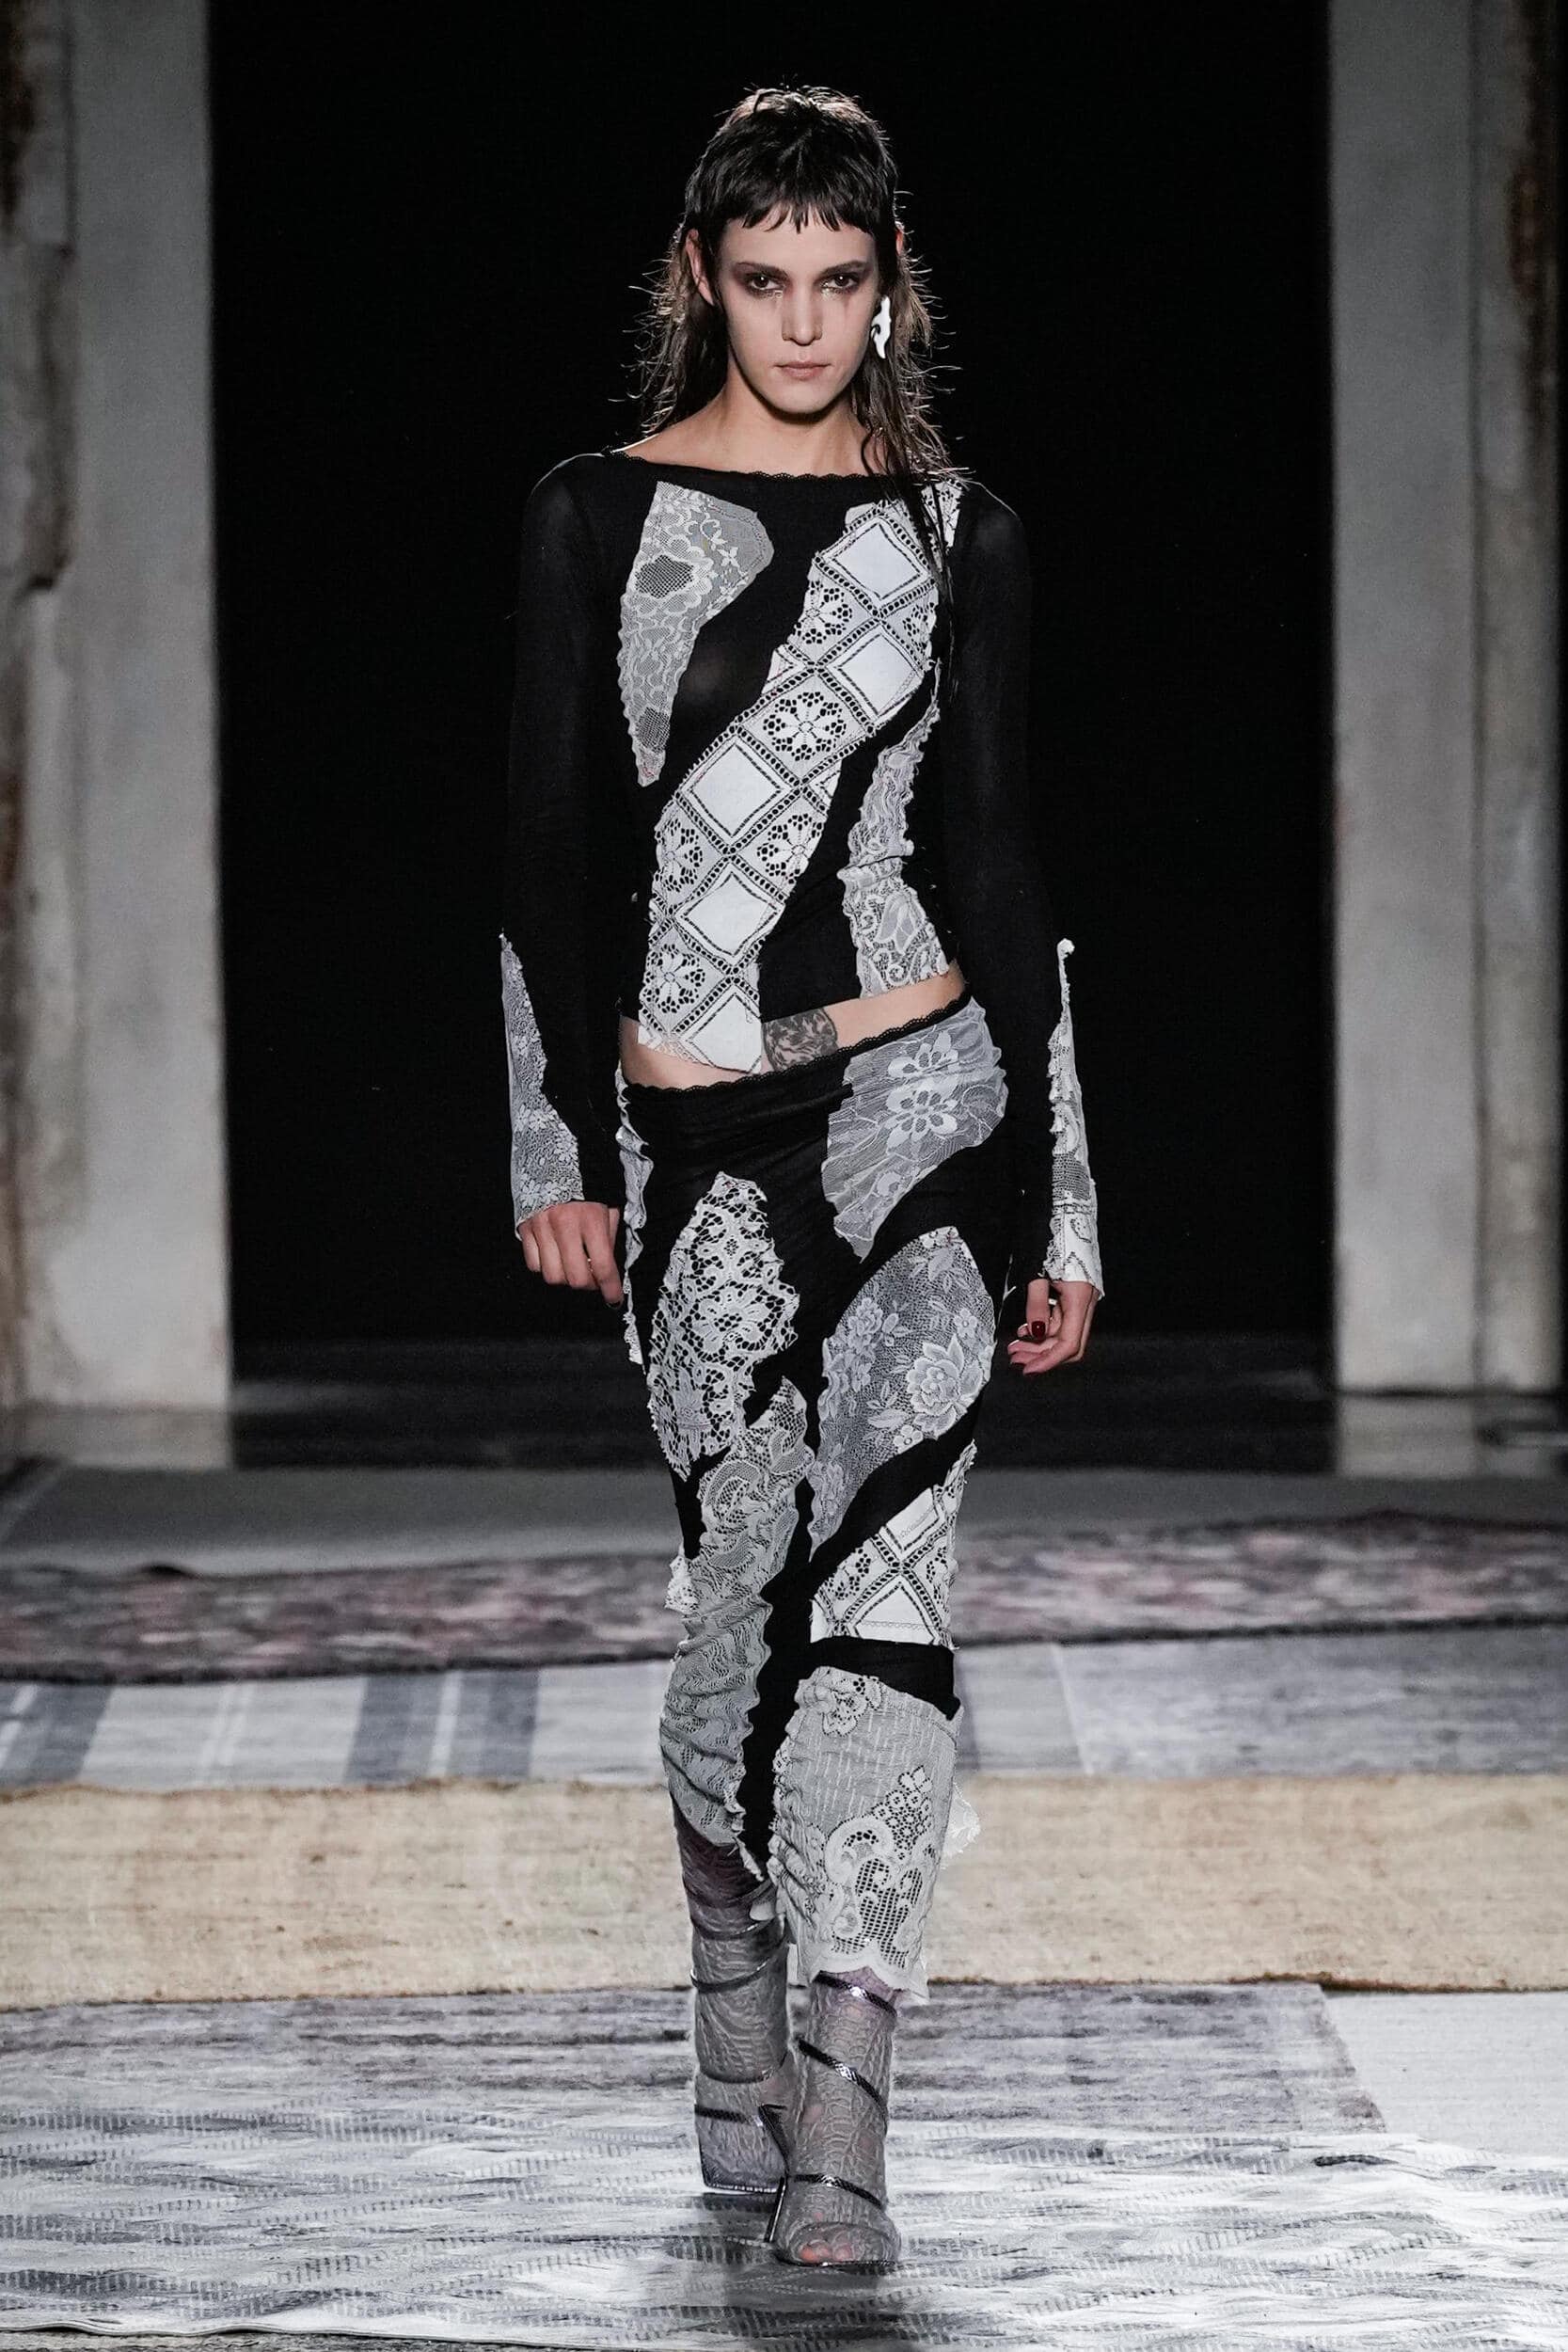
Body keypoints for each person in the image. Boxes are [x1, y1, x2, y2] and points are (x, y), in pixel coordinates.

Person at [499, 84, 1103, 2275]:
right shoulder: (595, 514)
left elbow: (1003, 862)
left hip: (924, 1103)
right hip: (694, 1145)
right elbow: (550, 847)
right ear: (703, 277)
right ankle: (727, 1957)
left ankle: (850, 2093)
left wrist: (1062, 1187)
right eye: (764, 280)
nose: (803, 321)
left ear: (889, 285)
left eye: (841, 282)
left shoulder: (961, 536)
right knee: (743, 1608)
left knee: (893, 1591)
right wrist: (557, 1140)